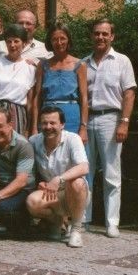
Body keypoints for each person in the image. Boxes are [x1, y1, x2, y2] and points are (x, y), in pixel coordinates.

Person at [83, 19, 136, 238]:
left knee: (111, 174)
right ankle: (83, 219)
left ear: (112, 36)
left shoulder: (122, 61)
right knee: (85, 173)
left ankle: (111, 222)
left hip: (111, 119)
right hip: (88, 120)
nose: (101, 37)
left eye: (105, 34)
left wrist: (124, 121)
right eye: (97, 33)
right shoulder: (84, 63)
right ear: (92, 36)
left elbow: (129, 93)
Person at [27, 106, 89, 248]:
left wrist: (59, 179)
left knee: (77, 182)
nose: (48, 127)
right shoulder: (33, 141)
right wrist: (40, 182)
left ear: (62, 125)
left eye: (53, 123)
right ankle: (57, 222)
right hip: (51, 194)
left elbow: (84, 167)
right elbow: (31, 171)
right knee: (31, 202)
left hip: (74, 193)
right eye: (44, 123)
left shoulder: (73, 139)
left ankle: (76, 230)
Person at [32, 22, 88, 140]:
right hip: (47, 118)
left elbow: (84, 98)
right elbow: (37, 97)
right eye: (54, 39)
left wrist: (83, 127)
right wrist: (34, 127)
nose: (59, 43)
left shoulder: (79, 65)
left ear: (68, 40)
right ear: (50, 42)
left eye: (62, 38)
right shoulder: (43, 65)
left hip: (71, 117)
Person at [0, 24, 36, 136]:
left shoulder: (30, 69)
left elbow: (30, 103)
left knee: (14, 149)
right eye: (9, 41)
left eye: (16, 41)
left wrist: (28, 127)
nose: (12, 45)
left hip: (17, 113)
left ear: (24, 43)